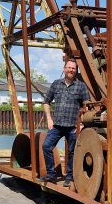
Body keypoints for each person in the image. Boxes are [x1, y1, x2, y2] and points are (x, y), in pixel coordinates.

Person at [36, 58, 91, 187]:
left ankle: (70, 177)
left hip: (73, 126)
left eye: (73, 68)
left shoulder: (81, 86)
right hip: (57, 125)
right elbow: (46, 102)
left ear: (76, 71)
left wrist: (82, 124)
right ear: (64, 69)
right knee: (46, 146)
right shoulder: (56, 84)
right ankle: (51, 174)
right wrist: (49, 119)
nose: (71, 70)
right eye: (69, 67)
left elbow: (87, 106)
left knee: (72, 152)